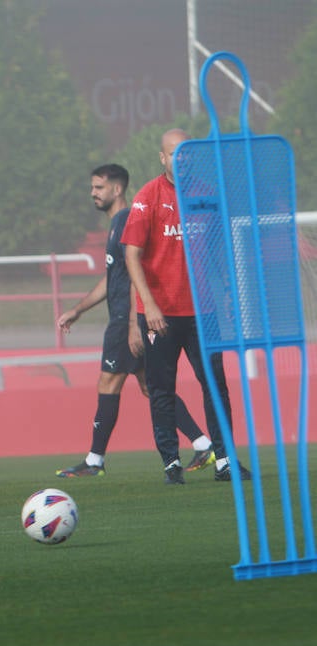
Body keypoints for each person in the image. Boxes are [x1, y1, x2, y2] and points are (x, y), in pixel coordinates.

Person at [55, 163, 214, 478]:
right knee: (150, 387)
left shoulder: (127, 219)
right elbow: (112, 277)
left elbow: (132, 277)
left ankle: (94, 460)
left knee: (110, 381)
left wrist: (131, 326)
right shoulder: (117, 224)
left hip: (126, 321)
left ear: (117, 189)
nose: (93, 194)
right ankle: (202, 443)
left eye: (98, 188)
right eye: (92, 188)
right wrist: (79, 309)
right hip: (125, 318)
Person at [123, 129, 248, 485]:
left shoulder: (208, 195)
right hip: (159, 314)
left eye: (188, 153)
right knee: (162, 388)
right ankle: (171, 464)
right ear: (163, 158)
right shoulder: (147, 197)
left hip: (203, 314)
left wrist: (228, 292)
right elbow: (131, 254)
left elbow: (219, 250)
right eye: (175, 153)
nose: (183, 159)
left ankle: (225, 460)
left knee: (216, 386)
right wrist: (149, 305)